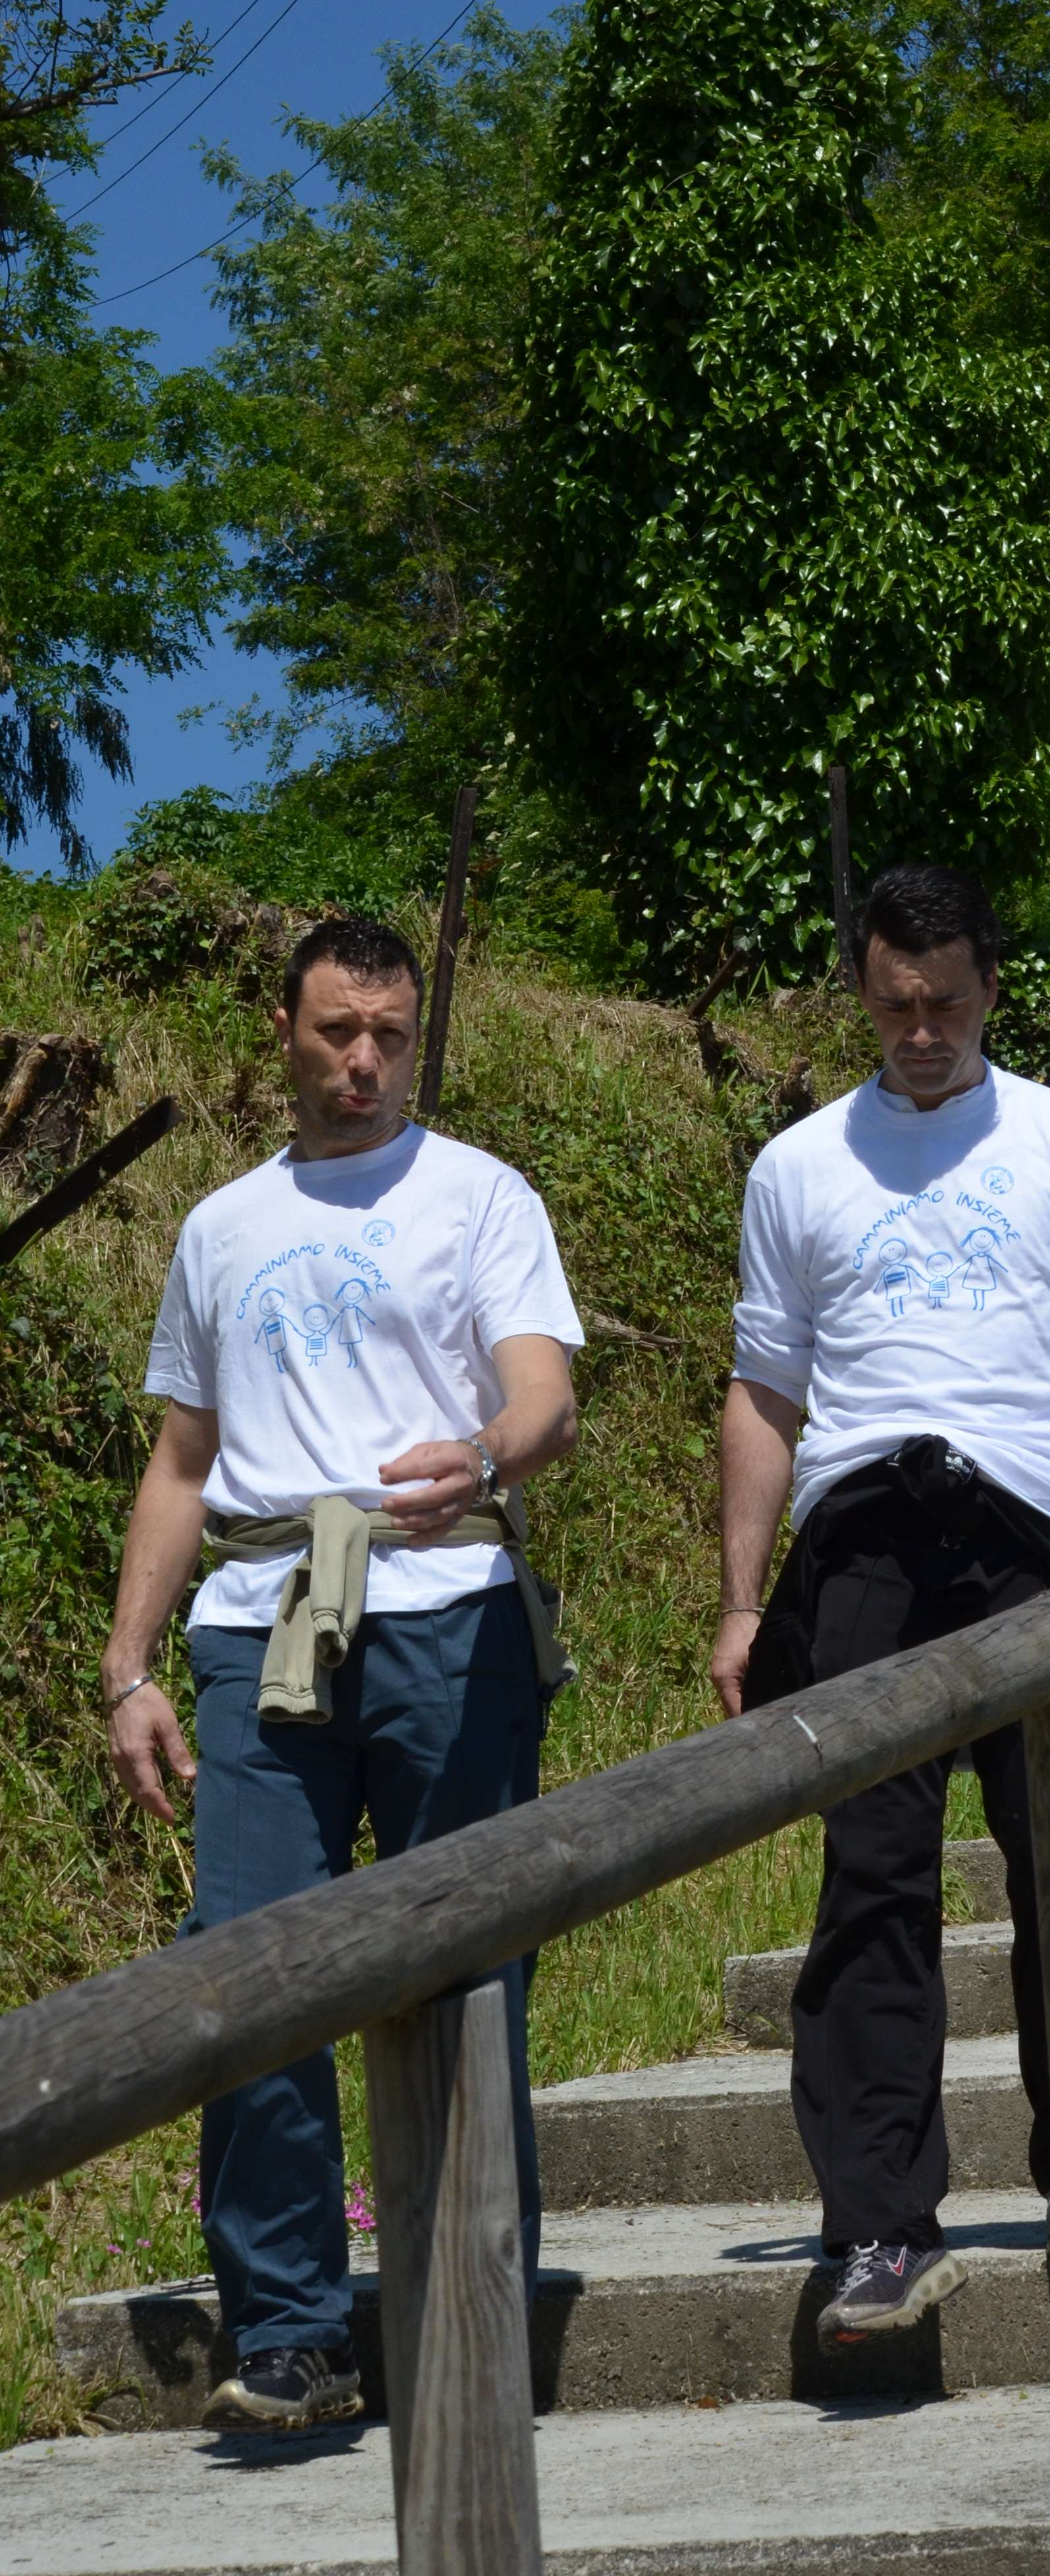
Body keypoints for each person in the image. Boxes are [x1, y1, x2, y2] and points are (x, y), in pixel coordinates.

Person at [710, 864, 1050, 2353]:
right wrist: (741, 1601)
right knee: (872, 1878)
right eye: (894, 1006)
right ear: (863, 993)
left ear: (990, 986)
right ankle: (878, 2224)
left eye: (945, 1003)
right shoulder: (797, 1164)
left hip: (1040, 1537)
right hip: (863, 1541)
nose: (921, 1031)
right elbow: (765, 1389)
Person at [102, 917, 583, 2433]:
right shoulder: (223, 1226)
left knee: (463, 1965)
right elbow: (183, 1457)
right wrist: (128, 1666)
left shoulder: (480, 1193)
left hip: (448, 1607)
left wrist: (486, 1454)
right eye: (336, 1032)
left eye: (389, 1034)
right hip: (260, 1619)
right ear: (285, 1030)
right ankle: (291, 2330)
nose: (364, 1060)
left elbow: (545, 1392)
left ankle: (468, 2302)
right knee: (248, 1966)